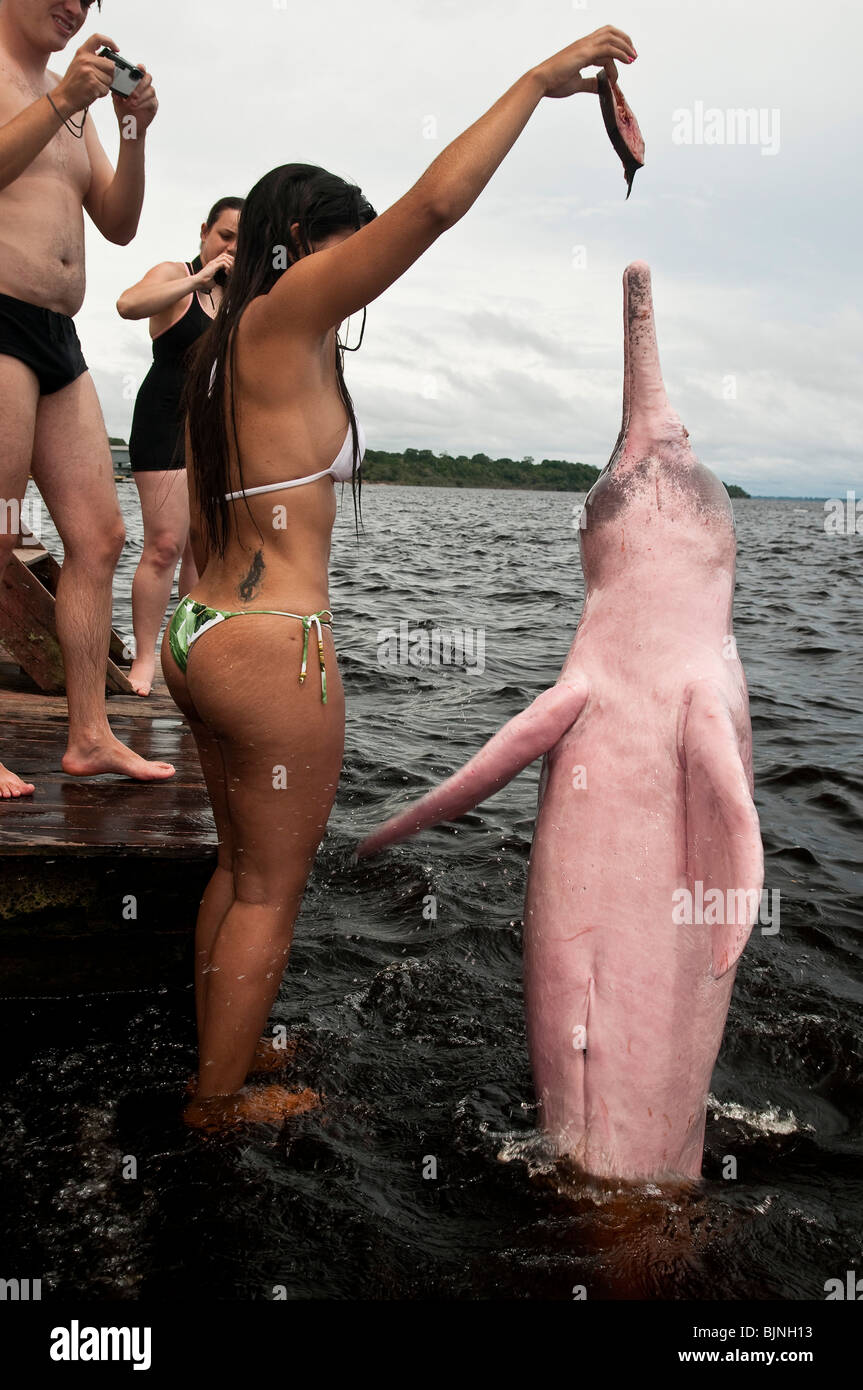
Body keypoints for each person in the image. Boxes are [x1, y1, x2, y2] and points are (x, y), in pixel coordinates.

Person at [161, 24, 638, 1130]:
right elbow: (434, 207)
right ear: (303, 241)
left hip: (201, 635)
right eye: (344, 245)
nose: (359, 266)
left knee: (234, 872)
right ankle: (217, 1103)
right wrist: (532, 84)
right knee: (270, 889)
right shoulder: (286, 315)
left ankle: (220, 1046)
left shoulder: (231, 343)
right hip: (273, 649)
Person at [0, 0, 175, 796]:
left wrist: (131, 128)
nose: (76, 7)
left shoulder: (71, 96)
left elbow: (119, 222)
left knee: (99, 537)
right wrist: (65, 100)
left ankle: (89, 736)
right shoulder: (46, 89)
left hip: (57, 334)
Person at [117, 197, 243, 696]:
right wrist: (200, 278)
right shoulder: (177, 275)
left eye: (243, 242)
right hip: (164, 419)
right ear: (204, 233)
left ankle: (186, 659)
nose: (233, 248)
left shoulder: (238, 299)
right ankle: (143, 661)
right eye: (226, 235)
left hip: (212, 432)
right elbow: (127, 305)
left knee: (201, 553)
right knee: (165, 545)